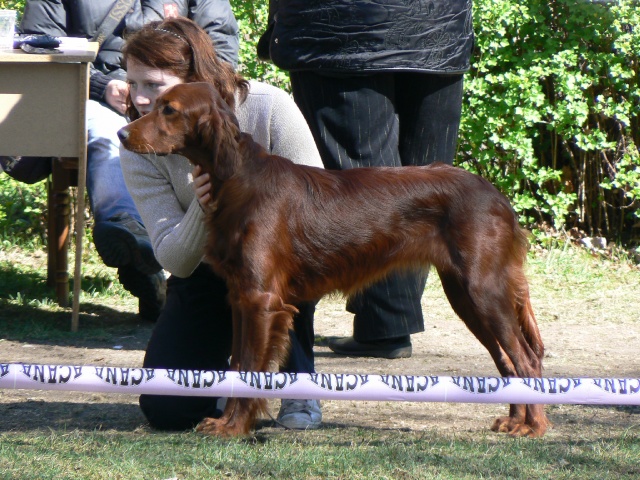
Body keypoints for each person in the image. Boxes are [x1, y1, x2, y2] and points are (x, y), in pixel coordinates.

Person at [118, 17, 325, 431]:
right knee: (167, 410)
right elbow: (175, 259)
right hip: (202, 270)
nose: (139, 99)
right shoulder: (138, 140)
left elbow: (317, 205)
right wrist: (205, 203)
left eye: (153, 85)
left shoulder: (267, 106)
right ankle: (228, 388)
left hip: (284, 263)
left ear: (196, 79)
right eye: (132, 83)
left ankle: (296, 382)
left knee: (273, 270)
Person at [258, 0, 475, 359]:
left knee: (362, 181)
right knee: (426, 180)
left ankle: (386, 325)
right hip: (440, 25)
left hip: (335, 29)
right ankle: (387, 322)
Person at [1, 0, 240, 321]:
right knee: (107, 134)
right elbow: (39, 48)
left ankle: (153, 257)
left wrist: (174, 92)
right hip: (89, 96)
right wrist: (103, 86)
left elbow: (221, 49)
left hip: (181, 105)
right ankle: (128, 230)